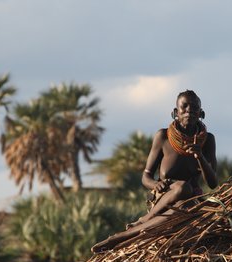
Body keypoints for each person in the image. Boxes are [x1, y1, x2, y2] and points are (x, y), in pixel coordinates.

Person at [92, 90, 217, 252]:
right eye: (184, 107)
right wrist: (154, 185)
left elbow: (213, 183)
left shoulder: (207, 140)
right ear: (175, 112)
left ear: (201, 113)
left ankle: (122, 237)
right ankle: (147, 218)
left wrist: (200, 156)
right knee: (182, 187)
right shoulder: (163, 136)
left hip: (189, 200)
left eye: (194, 108)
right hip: (163, 196)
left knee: (186, 205)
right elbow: (146, 177)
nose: (189, 111)